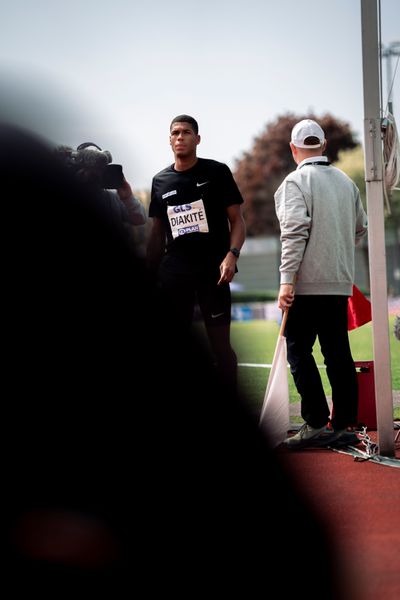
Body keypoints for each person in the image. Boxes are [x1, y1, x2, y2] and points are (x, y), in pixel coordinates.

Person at [274, 119, 368, 449]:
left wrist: (286, 281)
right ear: (324, 146)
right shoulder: (346, 183)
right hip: (339, 282)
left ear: (293, 148)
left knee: (298, 351)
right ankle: (343, 425)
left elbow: (294, 232)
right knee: (338, 354)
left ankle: (315, 421)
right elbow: (360, 229)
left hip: (306, 284)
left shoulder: (294, 182)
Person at [146, 114, 246, 392]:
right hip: (173, 275)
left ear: (197, 139)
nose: (180, 137)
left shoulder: (217, 172)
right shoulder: (159, 181)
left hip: (212, 274)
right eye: (175, 133)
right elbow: (156, 234)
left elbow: (237, 221)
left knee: (220, 347)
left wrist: (232, 255)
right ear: (169, 140)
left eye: (186, 132)